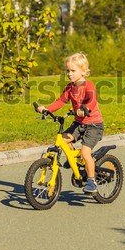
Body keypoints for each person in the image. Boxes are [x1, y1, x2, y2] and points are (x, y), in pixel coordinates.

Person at [37, 52, 104, 194]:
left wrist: (84, 109)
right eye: (68, 70)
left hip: (93, 125)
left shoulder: (89, 86)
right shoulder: (69, 87)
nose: (69, 73)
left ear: (84, 71)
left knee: (86, 152)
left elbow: (92, 101)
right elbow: (61, 101)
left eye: (73, 71)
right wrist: (47, 109)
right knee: (63, 139)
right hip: (79, 123)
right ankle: (74, 159)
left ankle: (92, 181)